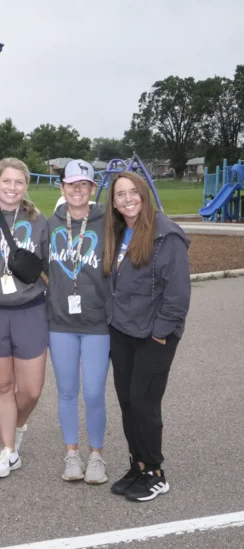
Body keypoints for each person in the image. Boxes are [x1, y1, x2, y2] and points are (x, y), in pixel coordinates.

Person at [103, 171, 190, 502]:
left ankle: (155, 471)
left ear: (144, 194)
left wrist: (160, 333)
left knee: (144, 401)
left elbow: (178, 294)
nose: (127, 199)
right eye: (120, 194)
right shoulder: (119, 232)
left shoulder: (166, 234)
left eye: (133, 192)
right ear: (113, 202)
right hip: (122, 330)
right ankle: (137, 463)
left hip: (154, 335)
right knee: (127, 401)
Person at [0, 157, 49, 479]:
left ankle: (17, 424)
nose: (12, 188)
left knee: (30, 390)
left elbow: (50, 265)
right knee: (3, 385)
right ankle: (8, 450)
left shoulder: (38, 219)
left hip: (30, 310)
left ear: (25, 186)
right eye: (7, 181)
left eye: (19, 182)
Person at [47, 160, 110, 484]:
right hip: (60, 322)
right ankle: (72, 454)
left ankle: (96, 455)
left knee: (95, 392)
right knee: (68, 391)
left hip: (97, 321)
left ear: (91, 188)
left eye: (84, 184)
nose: (77, 189)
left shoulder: (106, 221)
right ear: (63, 188)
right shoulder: (51, 223)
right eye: (72, 184)